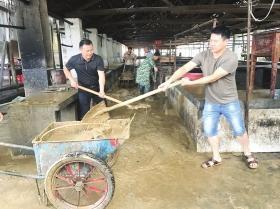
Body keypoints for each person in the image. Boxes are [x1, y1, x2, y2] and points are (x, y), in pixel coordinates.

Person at [159, 26, 258, 169]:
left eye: (215, 41)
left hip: (229, 102)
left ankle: (248, 154)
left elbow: (212, 78)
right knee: (210, 131)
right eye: (210, 40)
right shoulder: (203, 55)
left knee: (239, 130)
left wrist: (190, 82)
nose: (211, 44)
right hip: (211, 102)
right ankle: (216, 157)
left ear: (226, 42)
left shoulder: (231, 58)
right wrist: (168, 82)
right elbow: (184, 68)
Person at [63, 39, 106, 120]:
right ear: (81, 50)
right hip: (83, 88)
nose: (90, 53)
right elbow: (65, 68)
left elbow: (101, 76)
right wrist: (72, 80)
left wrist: (102, 90)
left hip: (97, 87)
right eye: (87, 51)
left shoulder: (98, 59)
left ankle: (104, 125)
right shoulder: (74, 59)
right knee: (84, 110)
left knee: (103, 107)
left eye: (91, 50)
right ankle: (85, 128)